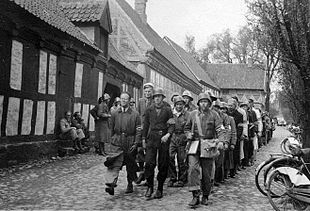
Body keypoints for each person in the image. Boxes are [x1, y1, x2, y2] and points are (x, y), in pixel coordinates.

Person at [185, 92, 225, 207]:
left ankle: (206, 195)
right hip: (195, 144)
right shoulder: (193, 114)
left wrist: (221, 141)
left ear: (209, 103)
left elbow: (220, 129)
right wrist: (188, 134)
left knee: (207, 172)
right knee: (193, 168)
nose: (204, 104)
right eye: (202, 102)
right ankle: (195, 195)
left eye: (206, 102)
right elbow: (187, 128)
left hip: (208, 145)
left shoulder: (214, 115)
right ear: (198, 103)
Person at [104, 92, 142, 195]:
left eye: (126, 99)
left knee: (130, 164)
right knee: (114, 163)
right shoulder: (115, 113)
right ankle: (111, 184)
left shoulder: (135, 114)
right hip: (117, 141)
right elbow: (111, 128)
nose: (123, 101)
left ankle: (130, 184)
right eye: (122, 99)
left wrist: (136, 143)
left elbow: (138, 129)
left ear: (129, 101)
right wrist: (111, 140)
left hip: (130, 141)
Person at [142, 87, 175, 200]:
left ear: (162, 98)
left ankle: (160, 188)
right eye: (155, 97)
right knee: (149, 163)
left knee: (163, 164)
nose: (157, 99)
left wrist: (168, 134)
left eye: (159, 97)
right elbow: (145, 125)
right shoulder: (149, 109)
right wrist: (143, 139)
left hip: (163, 139)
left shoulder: (167, 109)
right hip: (151, 138)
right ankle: (150, 186)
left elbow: (171, 124)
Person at [167, 96, 189, 188]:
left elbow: (189, 126)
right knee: (170, 157)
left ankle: (182, 179)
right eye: (177, 104)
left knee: (182, 159)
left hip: (183, 137)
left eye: (181, 104)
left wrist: (187, 139)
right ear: (174, 105)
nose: (179, 106)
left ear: (184, 105)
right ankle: (172, 178)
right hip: (173, 137)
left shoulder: (187, 115)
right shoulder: (171, 114)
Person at [136, 82, 154, 185]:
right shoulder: (141, 101)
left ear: (152, 92)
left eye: (149, 91)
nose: (147, 93)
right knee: (139, 151)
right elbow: (138, 115)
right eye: (146, 91)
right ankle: (142, 171)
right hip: (142, 129)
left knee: (149, 154)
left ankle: (148, 176)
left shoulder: (154, 102)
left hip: (151, 131)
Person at [227, 98, 244, 177]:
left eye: (231, 105)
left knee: (235, 155)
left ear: (235, 106)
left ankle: (233, 171)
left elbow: (240, 127)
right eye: (229, 105)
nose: (230, 107)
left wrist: (237, 136)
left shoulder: (239, 115)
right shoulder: (225, 114)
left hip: (235, 136)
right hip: (226, 136)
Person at [220, 102, 237, 180]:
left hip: (228, 141)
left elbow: (233, 131)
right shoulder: (217, 118)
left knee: (227, 160)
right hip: (220, 141)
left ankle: (225, 174)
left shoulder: (230, 119)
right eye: (221, 109)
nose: (222, 110)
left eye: (224, 109)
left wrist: (233, 142)